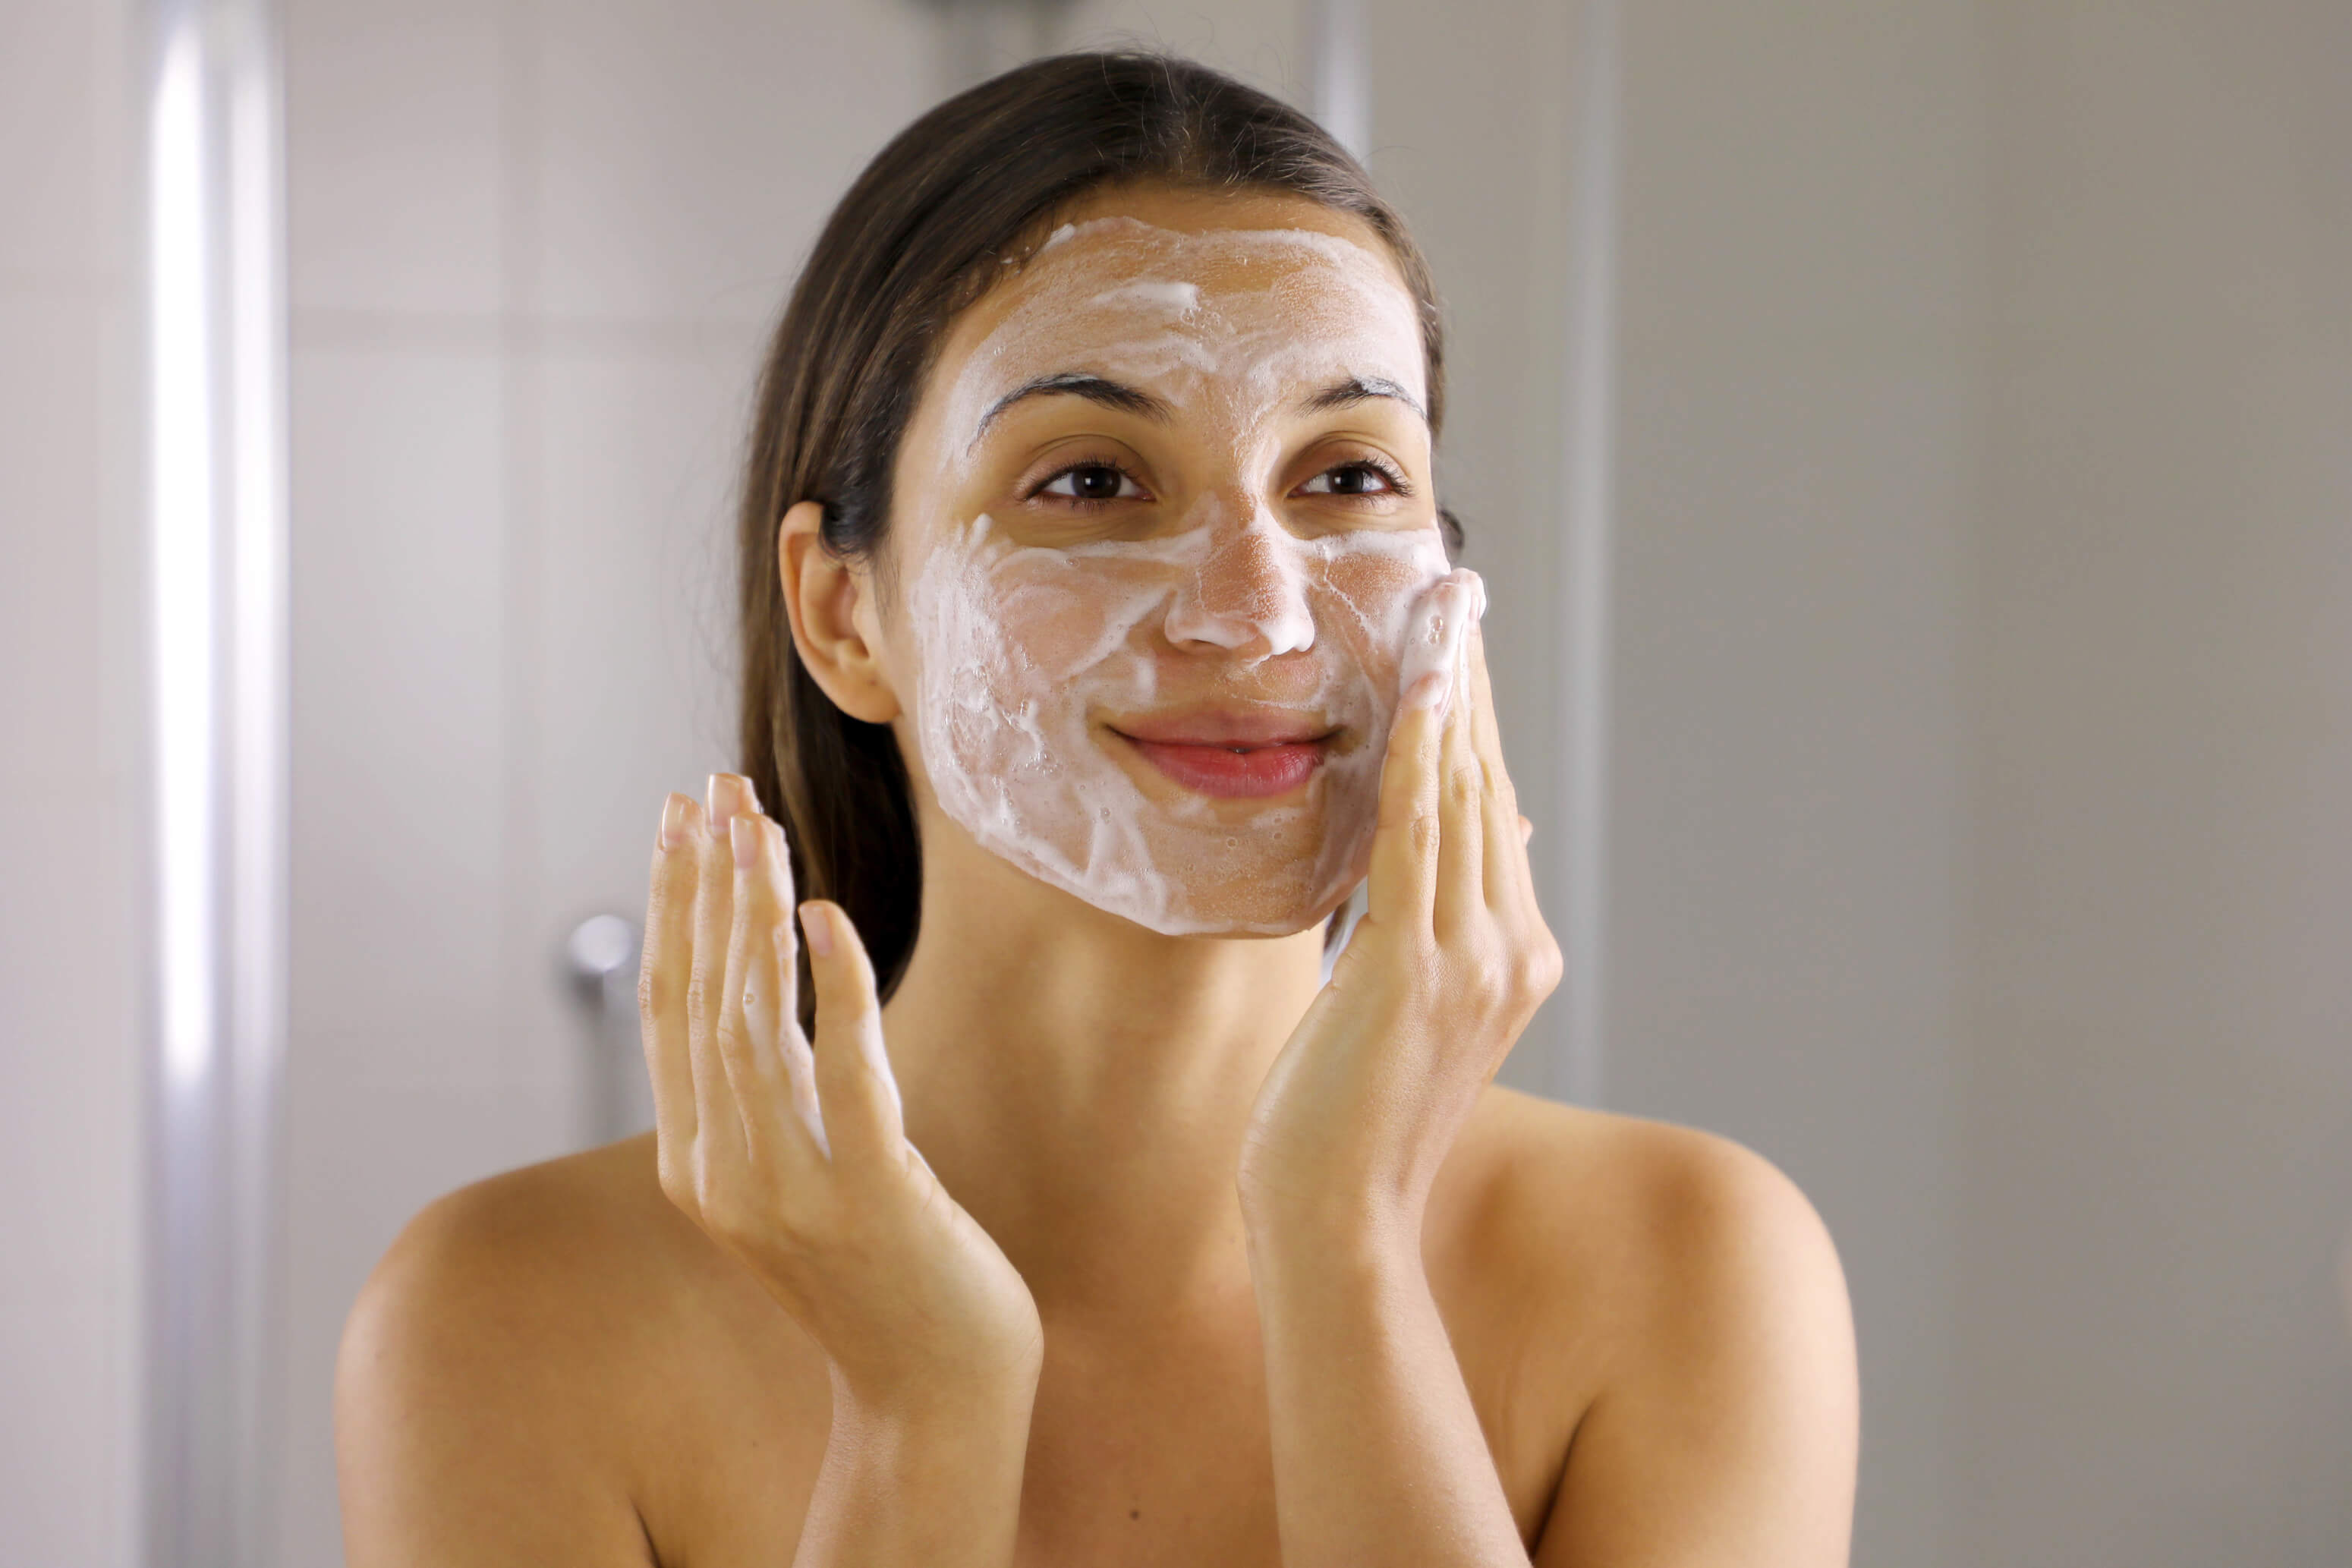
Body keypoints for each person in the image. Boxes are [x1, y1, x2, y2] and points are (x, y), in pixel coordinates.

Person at [335, 52, 1858, 1567]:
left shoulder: (1688, 1270)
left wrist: (1340, 1243)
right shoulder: (508, 1318)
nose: (1259, 618)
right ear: (845, 615)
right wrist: (925, 1409)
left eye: (1342, 477)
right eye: (1089, 482)